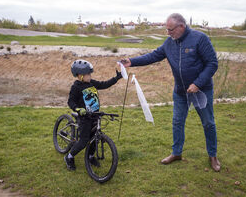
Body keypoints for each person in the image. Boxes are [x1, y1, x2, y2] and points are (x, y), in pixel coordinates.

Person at [121, 13, 220, 172]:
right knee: (177, 122)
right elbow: (154, 56)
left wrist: (197, 83)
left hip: (201, 90)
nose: (168, 33)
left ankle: (213, 156)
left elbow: (212, 64)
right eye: (167, 30)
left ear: (181, 26)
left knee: (208, 122)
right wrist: (132, 62)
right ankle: (176, 153)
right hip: (181, 92)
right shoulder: (169, 43)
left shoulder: (200, 39)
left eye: (171, 29)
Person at [65, 59, 122, 170]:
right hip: (85, 118)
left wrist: (116, 78)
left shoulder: (91, 83)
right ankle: (69, 157)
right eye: (88, 74)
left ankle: (90, 156)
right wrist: (78, 109)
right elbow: (71, 101)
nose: (90, 75)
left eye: (90, 73)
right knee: (83, 141)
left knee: (95, 137)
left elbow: (104, 84)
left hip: (95, 116)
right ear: (80, 75)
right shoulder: (76, 87)